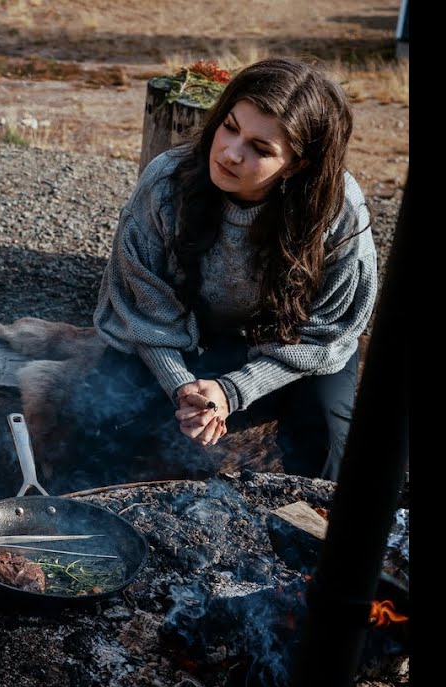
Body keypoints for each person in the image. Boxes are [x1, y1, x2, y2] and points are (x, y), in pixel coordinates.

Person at [73, 57, 378, 485]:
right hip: (186, 336)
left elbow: (330, 329)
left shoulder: (337, 211)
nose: (231, 153)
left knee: (328, 441)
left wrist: (234, 390)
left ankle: (311, 544)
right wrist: (184, 387)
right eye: (231, 127)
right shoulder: (165, 184)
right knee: (98, 418)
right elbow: (140, 302)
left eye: (261, 148)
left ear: (297, 164)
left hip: (294, 347)